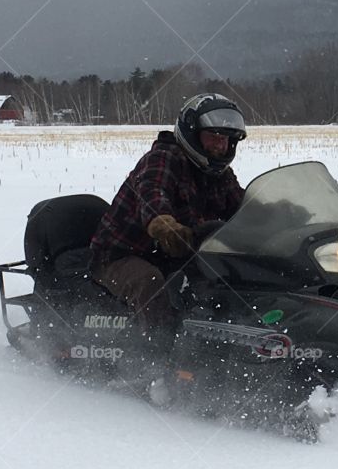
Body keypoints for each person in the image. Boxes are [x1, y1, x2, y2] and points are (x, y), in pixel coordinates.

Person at [89, 93, 247, 338]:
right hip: (120, 255)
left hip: (176, 254)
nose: (220, 145)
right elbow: (153, 194)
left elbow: (242, 205)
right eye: (213, 137)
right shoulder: (163, 158)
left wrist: (281, 212)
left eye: (226, 139)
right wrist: (165, 226)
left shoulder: (218, 174)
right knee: (150, 283)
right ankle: (156, 350)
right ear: (193, 134)